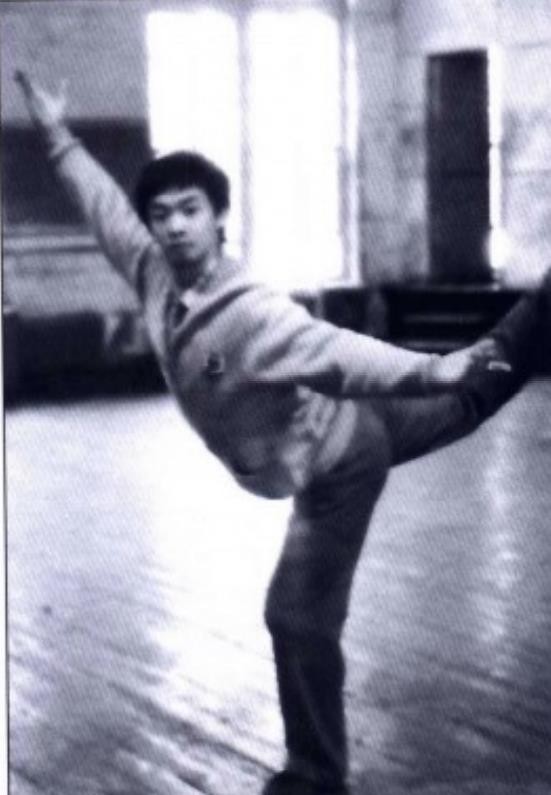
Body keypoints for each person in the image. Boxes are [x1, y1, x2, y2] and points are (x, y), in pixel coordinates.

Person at [15, 70, 549, 795]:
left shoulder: (250, 313)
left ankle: (315, 776)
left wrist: (431, 370)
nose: (174, 226)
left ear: (219, 219)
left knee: (296, 616)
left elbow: (336, 352)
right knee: (473, 395)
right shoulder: (152, 272)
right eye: (162, 214)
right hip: (338, 426)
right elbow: (103, 204)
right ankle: (531, 320)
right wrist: (56, 134)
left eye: (190, 210)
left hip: (339, 461)